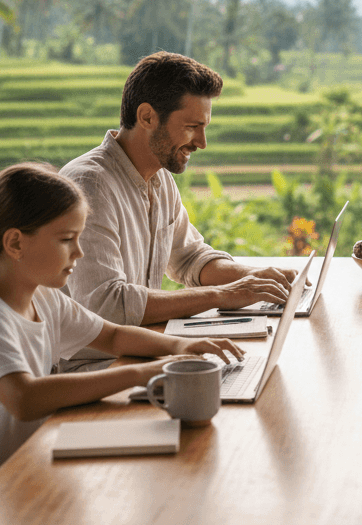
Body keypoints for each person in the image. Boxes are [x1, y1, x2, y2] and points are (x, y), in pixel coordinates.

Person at [0, 163, 243, 525]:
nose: (79, 253)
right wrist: (142, 374)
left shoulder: (43, 298)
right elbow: (25, 398)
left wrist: (179, 347)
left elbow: (112, 335)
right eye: (67, 239)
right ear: (16, 242)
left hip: (23, 472)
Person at [59, 52, 298, 370]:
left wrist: (257, 279)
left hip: (143, 353)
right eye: (192, 127)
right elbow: (105, 305)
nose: (202, 142)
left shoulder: (160, 178)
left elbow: (190, 259)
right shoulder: (90, 184)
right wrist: (222, 295)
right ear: (147, 117)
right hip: (92, 367)